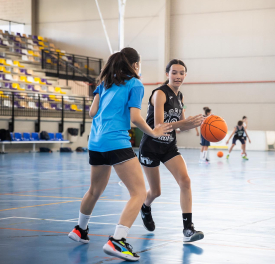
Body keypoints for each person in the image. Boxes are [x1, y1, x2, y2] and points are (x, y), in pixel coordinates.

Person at [68, 47, 172, 261]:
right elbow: (135, 117)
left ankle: (80, 229)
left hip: (96, 142)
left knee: (94, 190)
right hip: (116, 141)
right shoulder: (135, 84)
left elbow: (92, 112)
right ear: (135, 65)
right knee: (139, 193)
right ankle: (118, 241)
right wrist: (153, 132)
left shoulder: (103, 84)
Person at [138, 59, 205, 242]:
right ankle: (145, 206)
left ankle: (188, 228)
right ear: (167, 74)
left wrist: (194, 123)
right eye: (174, 72)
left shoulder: (180, 96)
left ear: (185, 75)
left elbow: (180, 127)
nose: (178, 76)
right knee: (156, 191)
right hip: (151, 146)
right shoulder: (160, 93)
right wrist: (183, 123)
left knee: (185, 181)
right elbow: (159, 125)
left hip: (168, 146)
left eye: (181, 73)